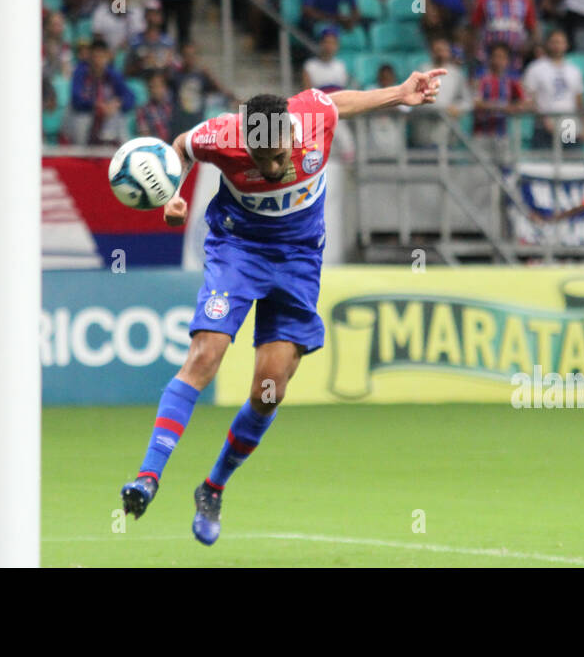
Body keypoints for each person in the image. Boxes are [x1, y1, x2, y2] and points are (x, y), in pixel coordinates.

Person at [118, 72, 447, 544]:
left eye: (276, 156)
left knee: (268, 391)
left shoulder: (312, 118)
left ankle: (212, 487)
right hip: (238, 251)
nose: (270, 167)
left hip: (297, 262)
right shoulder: (223, 136)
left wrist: (399, 94)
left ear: (291, 133)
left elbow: (342, 102)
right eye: (260, 158)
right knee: (205, 356)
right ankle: (148, 477)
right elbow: (181, 147)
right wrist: (173, 193)